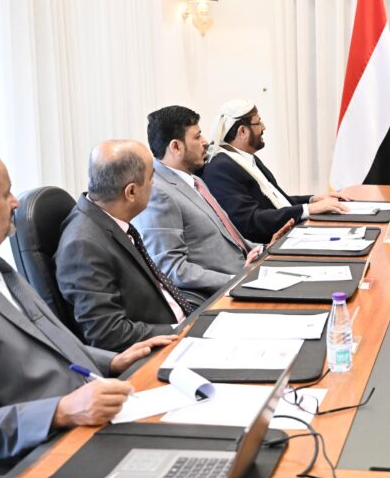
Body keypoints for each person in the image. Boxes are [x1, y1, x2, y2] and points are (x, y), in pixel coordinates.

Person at [0, 145, 175, 464]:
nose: (15, 202)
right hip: (51, 452)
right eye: (5, 194)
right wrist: (62, 410)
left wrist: (114, 360)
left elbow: (47, 344)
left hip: (98, 420)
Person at [56, 140, 198, 351]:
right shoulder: (83, 245)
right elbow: (108, 333)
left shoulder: (110, 221)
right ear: (131, 192)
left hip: (182, 325)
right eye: (151, 177)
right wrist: (180, 331)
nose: (154, 184)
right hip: (164, 347)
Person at [135, 106, 286, 295]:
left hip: (248, 272)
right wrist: (237, 280)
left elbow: (227, 240)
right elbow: (172, 269)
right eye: (197, 137)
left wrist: (264, 249)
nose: (205, 142)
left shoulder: (195, 180)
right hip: (223, 291)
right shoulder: (158, 193)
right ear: (176, 147)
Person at [202, 99, 349, 244]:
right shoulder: (221, 168)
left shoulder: (243, 158)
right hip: (270, 246)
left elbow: (274, 201)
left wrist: (313, 199)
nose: (264, 127)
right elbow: (250, 221)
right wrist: (308, 209)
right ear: (243, 131)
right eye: (258, 123)